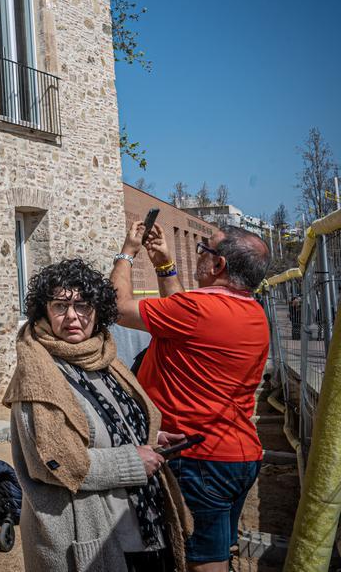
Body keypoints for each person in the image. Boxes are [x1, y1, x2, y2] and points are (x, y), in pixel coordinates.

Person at [5, 259, 192, 572]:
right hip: (92, 533)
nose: (72, 316)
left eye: (83, 305)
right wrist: (133, 461)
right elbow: (54, 462)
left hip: (143, 521)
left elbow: (109, 421)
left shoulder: (103, 356)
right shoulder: (36, 375)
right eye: (60, 306)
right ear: (43, 311)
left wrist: (147, 436)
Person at [111, 222, 271, 572]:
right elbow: (183, 313)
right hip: (237, 454)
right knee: (218, 550)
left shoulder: (198, 310)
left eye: (205, 248)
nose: (198, 253)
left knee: (202, 564)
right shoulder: (253, 312)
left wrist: (127, 252)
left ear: (218, 266)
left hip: (200, 460)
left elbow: (117, 307)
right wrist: (165, 264)